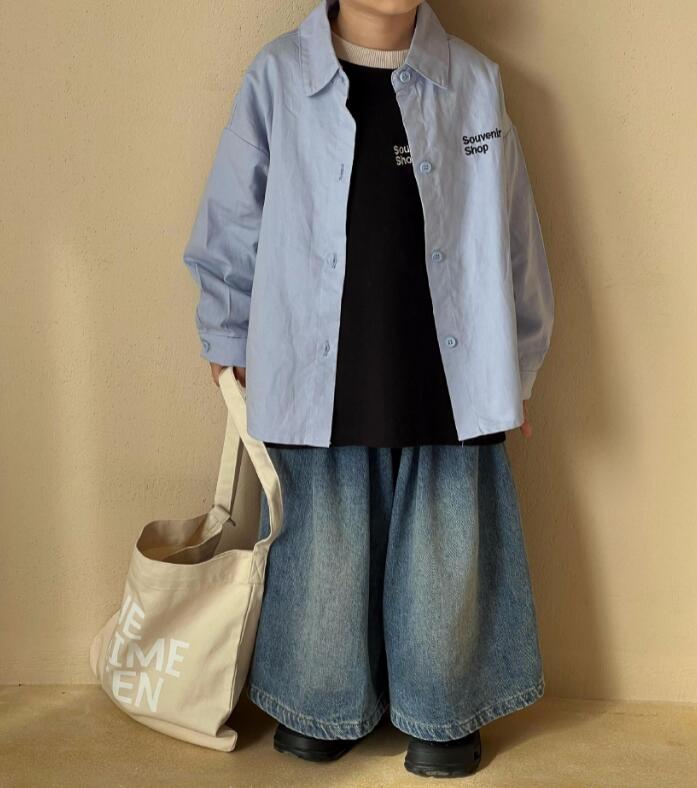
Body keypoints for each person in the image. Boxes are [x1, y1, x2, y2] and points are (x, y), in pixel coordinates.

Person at [183, 0, 554, 778]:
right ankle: (318, 701)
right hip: (315, 363)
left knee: (445, 546)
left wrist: (518, 363)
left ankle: (442, 708)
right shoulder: (278, 77)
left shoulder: (474, 83)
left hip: (450, 367)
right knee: (323, 541)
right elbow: (231, 218)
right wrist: (225, 337)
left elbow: (514, 228)